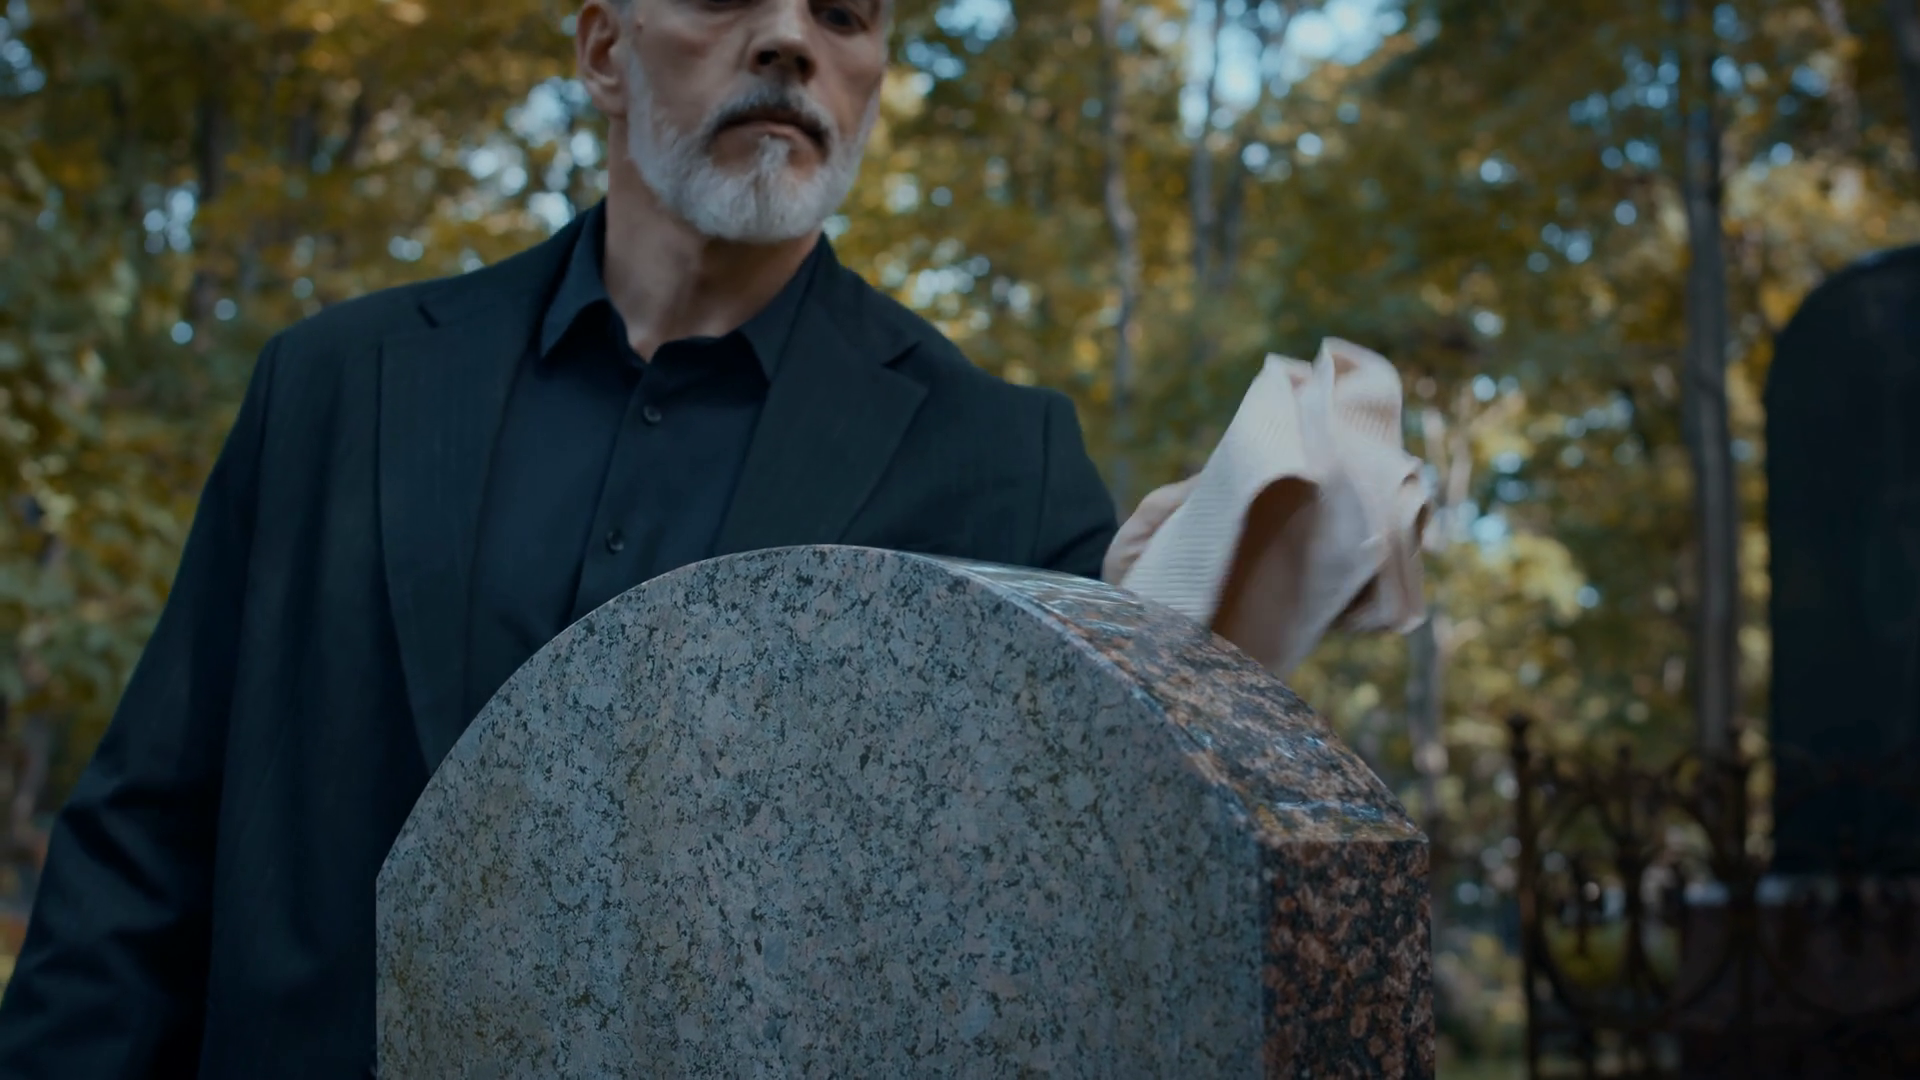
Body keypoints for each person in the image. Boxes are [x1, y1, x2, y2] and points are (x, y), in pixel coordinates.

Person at [0, 0, 1119, 1074]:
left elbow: (1083, 914)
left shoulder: (1007, 469)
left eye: (842, 14)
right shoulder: (334, 387)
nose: (788, 37)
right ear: (602, 51)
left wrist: (1194, 629)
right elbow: (140, 860)